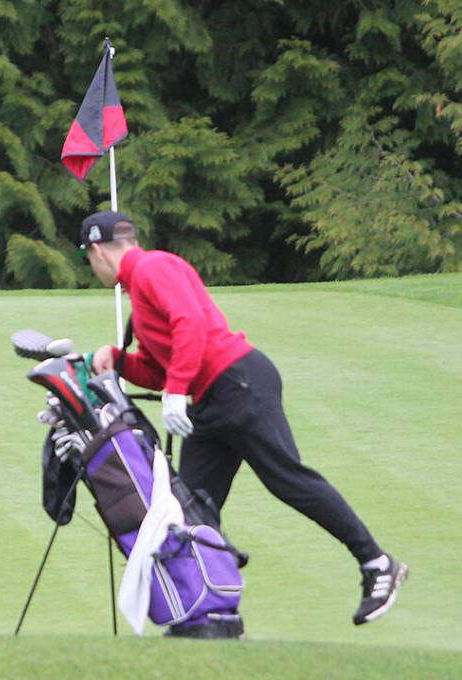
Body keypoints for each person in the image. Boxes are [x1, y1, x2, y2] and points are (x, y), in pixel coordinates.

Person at [79, 211, 408, 626]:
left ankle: (376, 563)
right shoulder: (140, 288)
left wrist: (177, 391)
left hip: (237, 382)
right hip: (210, 401)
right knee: (191, 508)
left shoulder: (151, 267)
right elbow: (162, 368)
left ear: (95, 251)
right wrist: (121, 362)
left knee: (286, 478)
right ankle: (207, 614)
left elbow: (191, 325)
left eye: (89, 260)